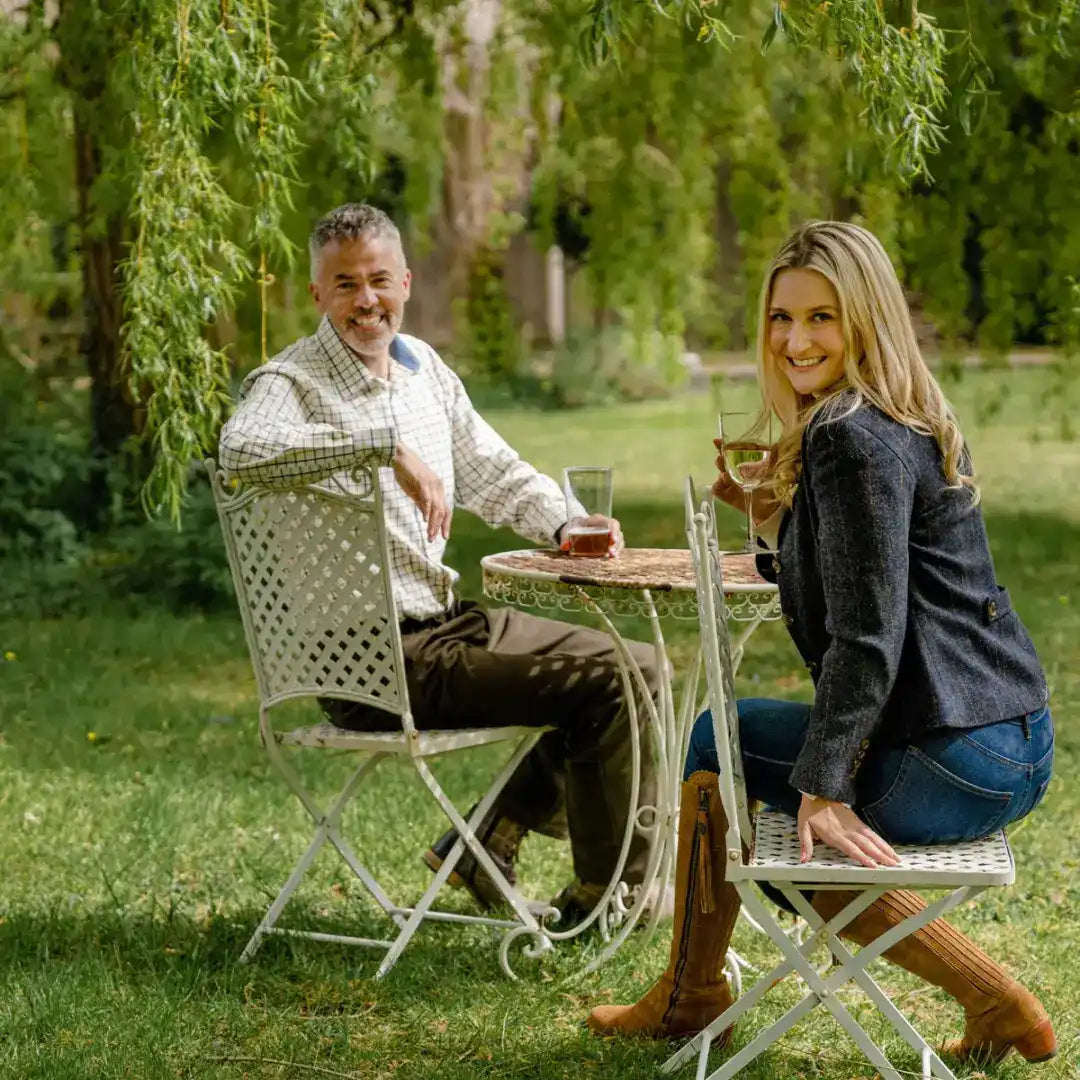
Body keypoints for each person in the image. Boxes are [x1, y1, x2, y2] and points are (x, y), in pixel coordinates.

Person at [586, 221, 1056, 1065]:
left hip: (951, 752)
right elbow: (873, 576)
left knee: (759, 786)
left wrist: (825, 786)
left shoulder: (847, 434)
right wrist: (775, 517)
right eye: (781, 318)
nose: (795, 340)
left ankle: (700, 995)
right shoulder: (905, 412)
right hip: (1014, 741)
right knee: (758, 776)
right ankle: (696, 993)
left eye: (821, 318)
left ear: (865, 319)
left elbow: (867, 636)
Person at [219, 202, 660, 922]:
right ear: (317, 293)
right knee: (606, 683)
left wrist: (567, 522)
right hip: (370, 662)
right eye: (345, 284)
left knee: (640, 666)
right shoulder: (289, 382)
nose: (366, 300)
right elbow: (241, 450)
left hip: (445, 626)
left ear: (406, 282)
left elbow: (492, 470)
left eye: (379, 280)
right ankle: (611, 898)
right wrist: (382, 448)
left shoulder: (423, 367)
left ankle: (489, 842)